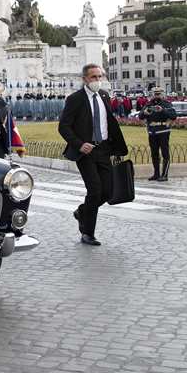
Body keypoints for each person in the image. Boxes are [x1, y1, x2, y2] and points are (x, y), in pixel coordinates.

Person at [58, 64, 128, 246]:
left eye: (100, 77)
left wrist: (115, 147)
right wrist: (80, 144)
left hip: (103, 149)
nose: (97, 80)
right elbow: (63, 126)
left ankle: (83, 211)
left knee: (108, 191)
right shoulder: (75, 99)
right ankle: (88, 233)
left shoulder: (104, 95)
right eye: (94, 77)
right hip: (85, 152)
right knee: (95, 190)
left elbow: (108, 122)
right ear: (85, 79)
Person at [139, 88, 177, 181]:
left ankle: (164, 175)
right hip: (152, 132)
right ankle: (156, 174)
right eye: (155, 94)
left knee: (165, 153)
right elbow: (140, 116)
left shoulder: (166, 104)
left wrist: (162, 110)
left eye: (158, 94)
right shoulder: (149, 104)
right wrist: (145, 112)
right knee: (154, 153)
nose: (156, 96)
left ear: (162, 95)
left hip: (163, 131)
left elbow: (173, 116)